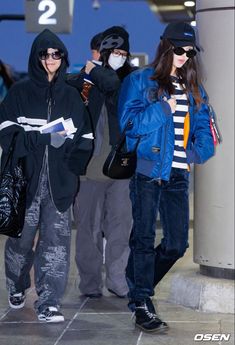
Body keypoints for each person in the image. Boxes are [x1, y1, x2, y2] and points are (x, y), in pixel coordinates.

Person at [118, 22, 215, 333]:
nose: (185, 56)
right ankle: (142, 302)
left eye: (190, 51)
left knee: (176, 244)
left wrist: (195, 154)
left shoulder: (194, 86)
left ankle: (136, 283)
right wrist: (162, 108)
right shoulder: (139, 81)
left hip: (177, 174)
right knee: (144, 240)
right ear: (164, 46)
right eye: (179, 49)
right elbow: (129, 126)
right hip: (148, 172)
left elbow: (205, 128)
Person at [0, 29, 92, 323]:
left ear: (63, 58)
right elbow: (5, 134)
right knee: (20, 243)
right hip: (25, 181)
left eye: (56, 54)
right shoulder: (20, 93)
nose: (50, 59)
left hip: (60, 185)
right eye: (45, 54)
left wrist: (72, 166)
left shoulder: (72, 97)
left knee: (56, 244)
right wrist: (40, 140)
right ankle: (16, 282)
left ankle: (49, 301)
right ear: (36, 57)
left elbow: (85, 138)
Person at [67, 26, 135, 299]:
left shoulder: (129, 81)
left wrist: (96, 71)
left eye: (123, 53)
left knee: (120, 229)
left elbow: (114, 88)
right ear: (99, 53)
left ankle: (118, 281)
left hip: (122, 169)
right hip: (88, 172)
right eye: (113, 52)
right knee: (88, 231)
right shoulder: (79, 83)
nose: (118, 57)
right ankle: (90, 284)